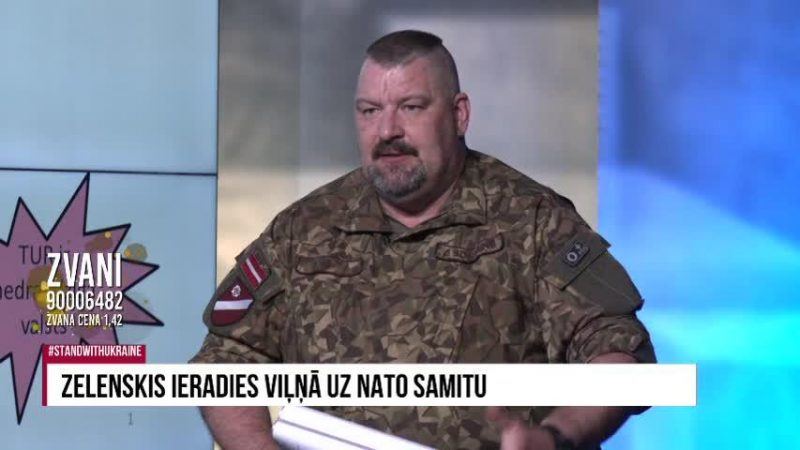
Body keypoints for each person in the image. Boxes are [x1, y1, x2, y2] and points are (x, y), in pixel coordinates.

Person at [191, 30, 656, 450]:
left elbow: (617, 350)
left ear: (459, 114)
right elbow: (226, 359)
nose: (387, 131)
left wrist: (553, 438)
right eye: (370, 111)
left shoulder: (533, 221)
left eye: (411, 107)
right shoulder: (303, 229)